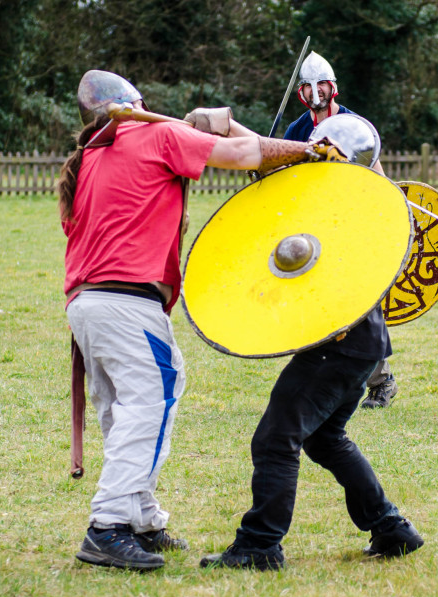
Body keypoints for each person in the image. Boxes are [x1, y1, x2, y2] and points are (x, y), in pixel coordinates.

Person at [60, 70, 331, 570]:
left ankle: (140, 517)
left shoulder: (88, 158)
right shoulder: (155, 133)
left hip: (86, 303)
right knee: (151, 400)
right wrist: (308, 151)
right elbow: (245, 156)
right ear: (136, 104)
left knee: (124, 407)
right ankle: (108, 525)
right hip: (125, 298)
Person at [199, 150, 424, 571]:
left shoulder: (344, 211)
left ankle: (260, 544)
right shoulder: (351, 209)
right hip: (364, 345)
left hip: (339, 344)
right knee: (325, 439)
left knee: (274, 438)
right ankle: (392, 528)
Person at [283, 51, 397, 409]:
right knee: (315, 298)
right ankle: (320, 379)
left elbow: (375, 171)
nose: (316, 93)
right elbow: (286, 176)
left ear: (333, 87)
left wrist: (389, 203)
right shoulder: (296, 130)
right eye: (309, 87)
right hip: (313, 224)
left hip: (351, 220)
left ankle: (382, 380)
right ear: (301, 92)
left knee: (360, 301)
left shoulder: (352, 124)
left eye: (321, 85)